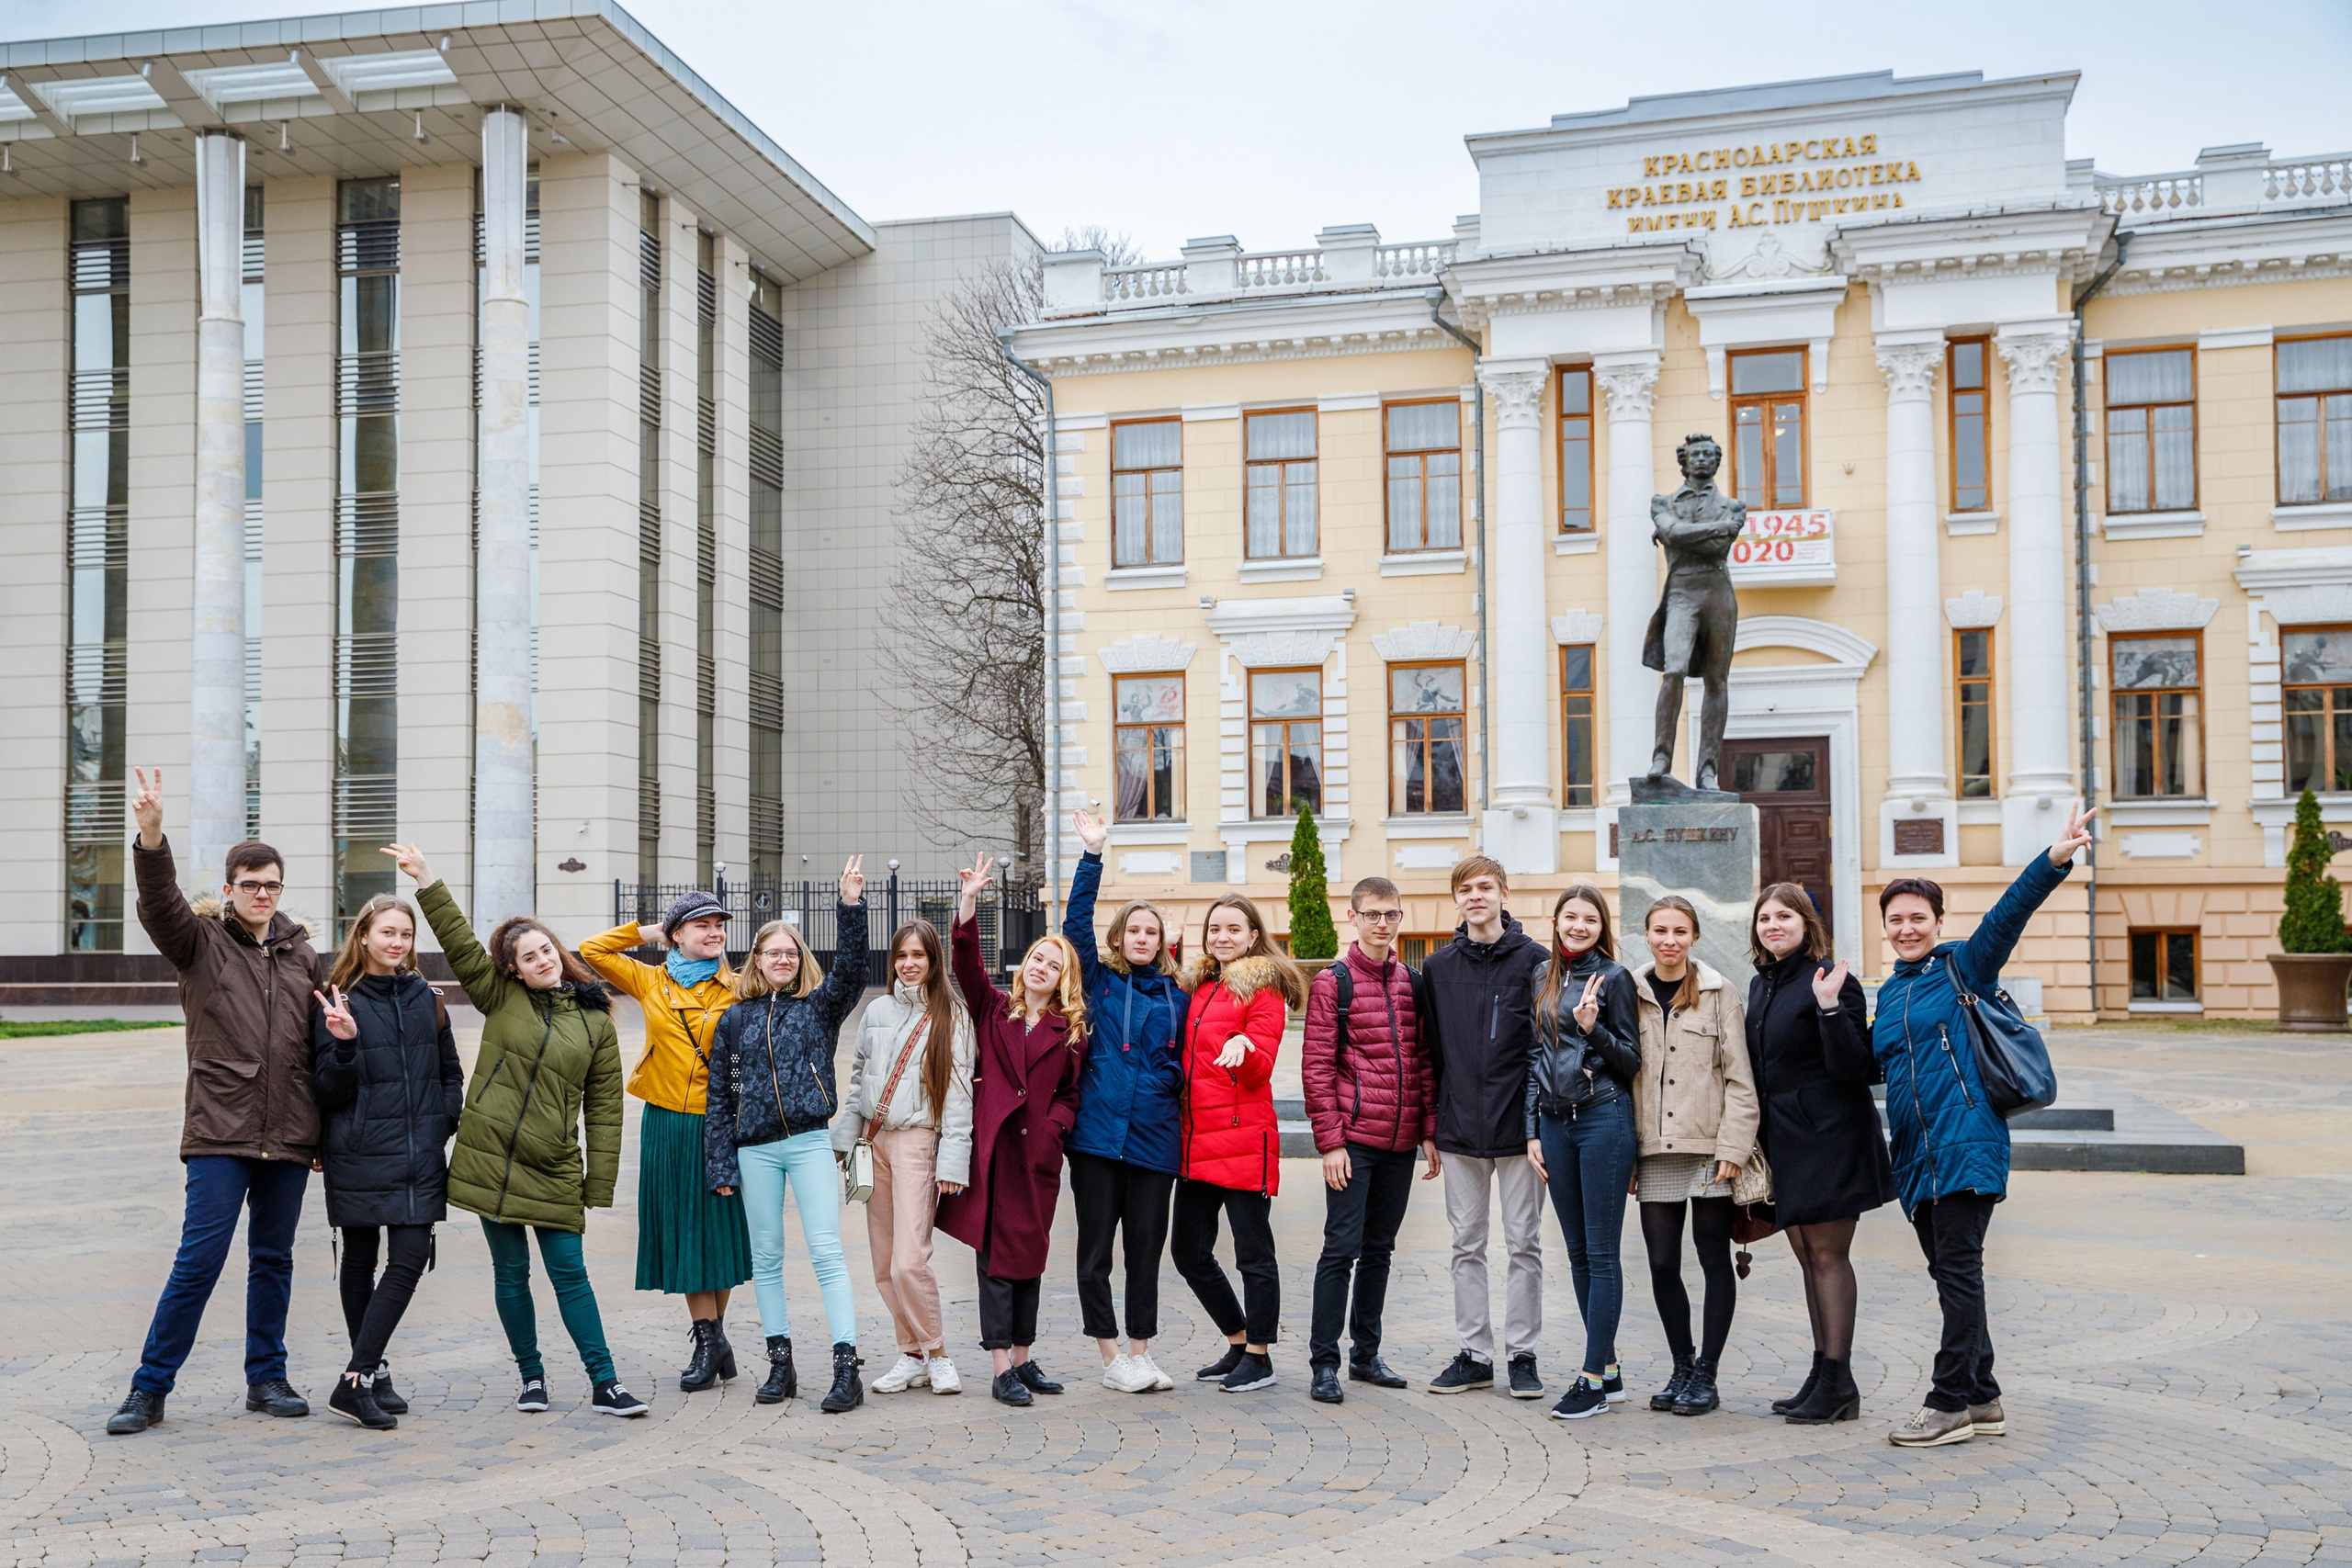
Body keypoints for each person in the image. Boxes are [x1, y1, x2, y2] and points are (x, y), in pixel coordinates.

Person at [386, 844, 642, 1417]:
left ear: (558, 952)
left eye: (546, 949)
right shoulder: (497, 997)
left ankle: (606, 1382)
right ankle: (532, 1379)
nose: (542, 960)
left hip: (553, 1164)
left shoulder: (595, 1022)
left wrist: (598, 1184)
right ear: (513, 970)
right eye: (528, 957)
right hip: (492, 1160)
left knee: (570, 1275)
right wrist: (427, 878)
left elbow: (604, 1109)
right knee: (511, 1276)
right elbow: (458, 940)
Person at [107, 768, 325, 1437]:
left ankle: (267, 1376)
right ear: (229, 889)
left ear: (280, 890)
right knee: (198, 1259)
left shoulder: (302, 956)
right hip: (220, 1129)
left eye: (272, 885)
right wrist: (150, 835)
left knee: (274, 1259)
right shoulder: (198, 943)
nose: (262, 894)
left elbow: (320, 1044)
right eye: (250, 884)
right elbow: (160, 903)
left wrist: (324, 1131)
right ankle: (150, 1386)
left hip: (289, 1130)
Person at [1876, 802, 2093, 1449]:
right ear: (1884, 928)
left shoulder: (1962, 966)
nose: (1908, 928)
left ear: (1939, 921)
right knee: (1950, 1276)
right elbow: (1866, 1063)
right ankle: (1985, 1396)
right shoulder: (1889, 994)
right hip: (1916, 1155)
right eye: (1896, 920)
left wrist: (2053, 860)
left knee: (1960, 1271)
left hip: (1966, 1144)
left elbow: (2007, 917)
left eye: (1918, 917)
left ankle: (1947, 1401)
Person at [704, 863, 868, 1412]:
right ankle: (781, 1366)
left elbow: (851, 972)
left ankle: (847, 1369)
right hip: (754, 1151)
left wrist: (850, 907)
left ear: (800, 960)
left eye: (791, 952)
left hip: (807, 1143)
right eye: (772, 952)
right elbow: (723, 1094)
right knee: (767, 1257)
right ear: (757, 959)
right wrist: (722, 1166)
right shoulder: (735, 1021)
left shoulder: (818, 1010)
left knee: (826, 1252)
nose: (783, 959)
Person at [582, 889, 755, 1393]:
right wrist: (648, 933)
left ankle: (711, 1339)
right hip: (666, 1119)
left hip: (722, 1121)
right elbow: (592, 950)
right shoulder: (650, 980)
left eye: (719, 924)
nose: (715, 931)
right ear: (677, 934)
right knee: (686, 1228)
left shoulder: (741, 986)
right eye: (701, 924)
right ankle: (711, 1339)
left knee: (716, 1232)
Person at [935, 853, 1091, 1407]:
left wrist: (1056, 1128)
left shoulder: (1069, 1029)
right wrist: (971, 901)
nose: (1040, 967)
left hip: (1038, 1158)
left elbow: (1072, 1092)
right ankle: (1000, 1365)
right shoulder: (994, 1008)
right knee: (996, 1258)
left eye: (1052, 964)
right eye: (1035, 959)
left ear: (1064, 978)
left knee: (1031, 1255)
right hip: (995, 1153)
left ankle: (1023, 1359)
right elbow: (966, 963)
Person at [309, 892, 463, 1430]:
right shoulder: (338, 999)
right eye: (387, 933)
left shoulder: (427, 996)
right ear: (364, 936)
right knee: (359, 1256)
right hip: (357, 1147)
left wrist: (443, 1119)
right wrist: (345, 1045)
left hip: (420, 1150)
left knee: (408, 1258)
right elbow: (326, 1089)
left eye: (405, 935)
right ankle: (371, 1376)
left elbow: (450, 1072)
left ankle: (356, 1376)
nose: (396, 943)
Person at [1747, 883, 1893, 1427]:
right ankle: (1824, 1372)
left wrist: (1830, 1008)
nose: (1773, 925)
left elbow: (1856, 1068)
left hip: (1830, 1137)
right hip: (1786, 1139)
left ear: (1807, 924)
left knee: (1829, 1257)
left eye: (1785, 916)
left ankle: (1838, 1380)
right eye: (1765, 918)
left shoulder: (1833, 981)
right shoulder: (1763, 985)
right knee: (1808, 1258)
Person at [1062, 808, 1189, 1394]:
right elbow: (1074, 925)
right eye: (1133, 931)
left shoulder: (1179, 996)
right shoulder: (1098, 981)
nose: (1142, 938)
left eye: (1151, 933)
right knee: (1095, 1251)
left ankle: (1141, 1352)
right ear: (1120, 939)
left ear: (1163, 943)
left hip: (1155, 1140)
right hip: (1095, 1137)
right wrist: (1093, 854)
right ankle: (1111, 1356)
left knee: (1145, 1248)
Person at [1300, 875, 1440, 1405]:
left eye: (1391, 915)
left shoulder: (1413, 982)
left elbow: (1423, 1062)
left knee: (1379, 1250)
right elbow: (1316, 1067)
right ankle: (1324, 1363)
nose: (1382, 924)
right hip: (1354, 1141)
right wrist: (1331, 1143)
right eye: (1373, 914)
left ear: (1400, 919)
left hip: (1401, 1141)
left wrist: (1427, 1130)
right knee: (1340, 1249)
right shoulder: (1333, 983)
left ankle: (1365, 1354)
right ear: (1353, 918)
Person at [1419, 855, 1549, 1400]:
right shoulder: (1437, 966)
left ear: (1504, 893)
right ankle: (1475, 1354)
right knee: (1465, 1245)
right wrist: (1430, 1126)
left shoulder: (1537, 961)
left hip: (1520, 1131)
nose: (1476, 896)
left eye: (1485, 887)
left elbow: (1546, 1049)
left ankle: (1523, 1354)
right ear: (1456, 900)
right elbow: (1428, 1053)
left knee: (1524, 1244)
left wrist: (1537, 1124)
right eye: (1466, 889)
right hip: (1457, 1130)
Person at [832, 917, 975, 1396]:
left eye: (918, 956)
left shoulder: (950, 1016)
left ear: (934, 962)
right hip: (874, 1144)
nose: (909, 965)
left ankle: (938, 1353)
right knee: (881, 1264)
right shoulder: (876, 1011)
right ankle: (910, 1353)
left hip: (918, 1142)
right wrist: (844, 1141)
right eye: (901, 956)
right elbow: (858, 1083)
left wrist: (953, 1162)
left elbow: (958, 1096)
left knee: (908, 1263)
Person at [1630, 895, 1756, 1418]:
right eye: (1660, 931)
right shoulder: (1628, 991)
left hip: (1710, 1151)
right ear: (1647, 934)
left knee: (1711, 1260)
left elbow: (1740, 1079)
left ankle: (1707, 1373)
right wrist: (1627, 1154)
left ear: (1694, 936)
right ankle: (1682, 1364)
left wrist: (1734, 1146)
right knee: (1661, 1263)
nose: (1669, 941)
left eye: (1680, 931)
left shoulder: (1718, 991)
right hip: (1653, 1150)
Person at [1173, 893, 1304, 1393]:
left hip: (1244, 1138)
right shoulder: (1201, 986)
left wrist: (1243, 1047)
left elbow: (1261, 1070)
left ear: (1253, 936)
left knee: (1254, 1254)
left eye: (1233, 929)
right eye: (1215, 929)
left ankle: (1260, 1355)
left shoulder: (1261, 989)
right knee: (1188, 1251)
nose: (1222, 937)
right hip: (1196, 1141)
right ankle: (1237, 1338)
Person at [1522, 886, 1643, 1421]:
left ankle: (1592, 1378)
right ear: (1556, 921)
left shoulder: (1614, 978)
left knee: (1600, 1253)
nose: (1578, 926)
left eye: (1589, 919)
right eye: (1570, 917)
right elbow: (1534, 1056)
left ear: (1601, 927)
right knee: (1574, 1253)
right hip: (1553, 1126)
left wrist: (1593, 1031)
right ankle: (1610, 1370)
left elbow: (1632, 1061)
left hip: (1603, 1121)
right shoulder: (1543, 977)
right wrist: (1531, 1130)